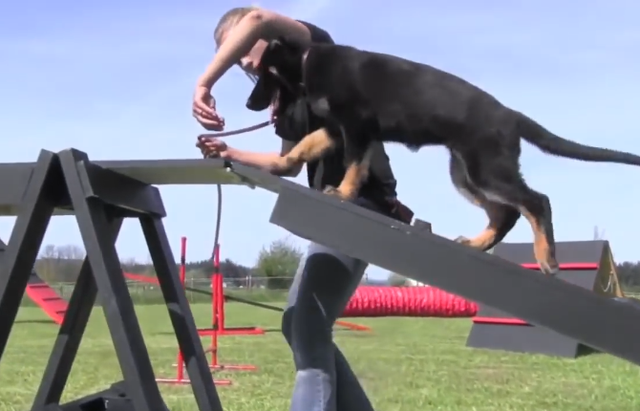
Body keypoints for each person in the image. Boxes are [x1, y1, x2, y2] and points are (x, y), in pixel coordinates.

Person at [193, 7, 412, 411]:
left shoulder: (318, 54)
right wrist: (230, 151)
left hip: (362, 203)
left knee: (307, 325)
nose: (241, 61)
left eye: (238, 48)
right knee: (297, 324)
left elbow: (258, 18)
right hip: (331, 212)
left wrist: (205, 82)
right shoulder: (288, 100)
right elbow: (286, 165)